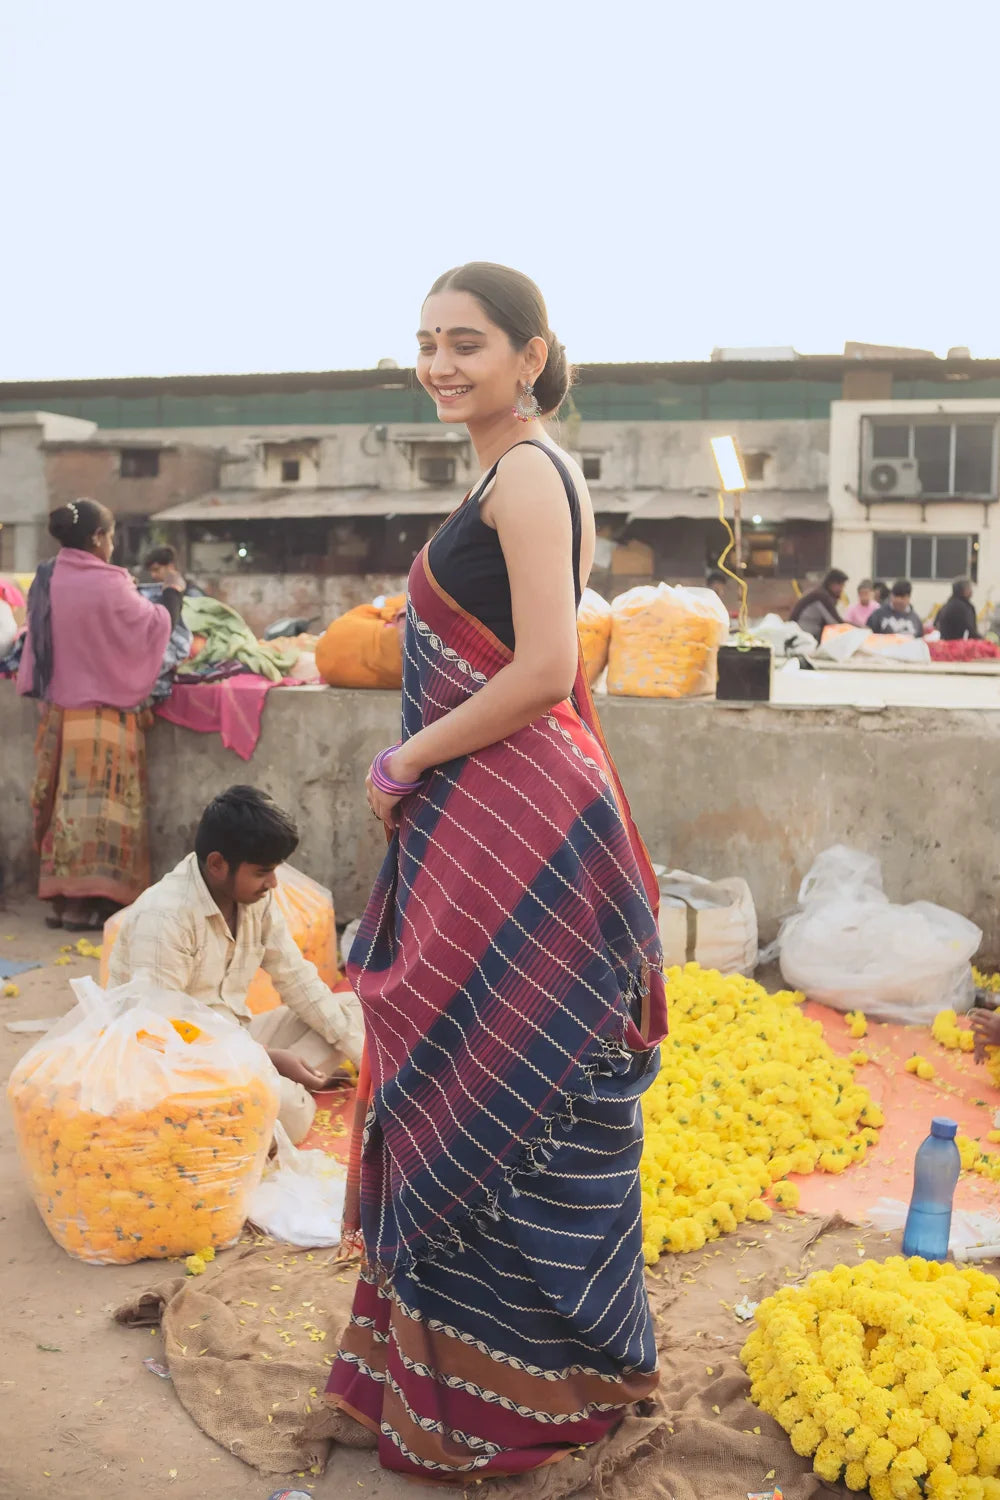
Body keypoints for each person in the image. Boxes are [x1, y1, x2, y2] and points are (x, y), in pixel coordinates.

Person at [324, 263, 667, 1479]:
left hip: (516, 816)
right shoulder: (509, 469)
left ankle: (519, 1395)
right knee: (474, 1073)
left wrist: (403, 757)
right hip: (500, 818)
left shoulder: (526, 472)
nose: (438, 364)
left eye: (465, 342)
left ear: (530, 355)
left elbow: (537, 668)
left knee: (499, 1082)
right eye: (424, 343)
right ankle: (494, 1380)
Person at [107, 785, 362, 1144]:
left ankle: (273, 1091)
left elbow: (296, 979)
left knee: (353, 1011)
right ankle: (275, 1094)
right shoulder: (165, 916)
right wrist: (265, 1058)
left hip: (236, 1038)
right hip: (177, 1066)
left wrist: (365, 1061)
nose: (273, 883)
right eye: (262, 872)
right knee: (291, 1111)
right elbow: (157, 1035)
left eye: (275, 870)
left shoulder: (256, 900)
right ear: (217, 864)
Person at [17, 500, 183, 931]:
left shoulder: (47, 575)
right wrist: (172, 597)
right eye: (109, 535)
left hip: (58, 717)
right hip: (102, 720)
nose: (111, 544)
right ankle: (90, 904)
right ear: (97, 538)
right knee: (101, 816)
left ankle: (62, 902)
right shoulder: (109, 584)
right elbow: (152, 629)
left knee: (63, 812)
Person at [789, 568, 848, 642]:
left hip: (803, 636)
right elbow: (836, 623)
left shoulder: (821, 594)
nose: (841, 589)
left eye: (843, 585)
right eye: (839, 585)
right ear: (830, 583)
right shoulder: (822, 597)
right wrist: (859, 628)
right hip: (801, 638)